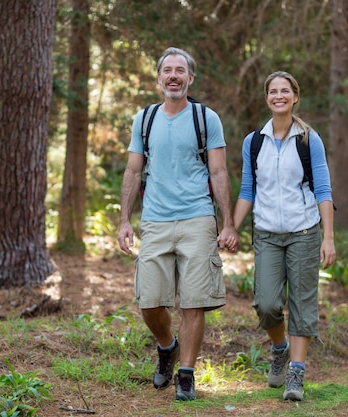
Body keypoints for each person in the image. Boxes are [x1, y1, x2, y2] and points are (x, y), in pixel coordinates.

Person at [117, 47, 239, 402]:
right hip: (154, 219)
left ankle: (186, 374)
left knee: (194, 302)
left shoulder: (206, 118)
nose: (173, 76)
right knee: (149, 302)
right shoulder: (145, 119)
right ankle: (166, 346)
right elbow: (133, 170)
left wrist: (228, 222)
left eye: (180, 70)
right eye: (167, 70)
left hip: (198, 218)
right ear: (158, 78)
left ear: (190, 78)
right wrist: (125, 219)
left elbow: (218, 171)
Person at [229, 71, 336, 401]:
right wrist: (231, 227)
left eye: (285, 91)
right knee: (266, 304)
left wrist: (328, 236)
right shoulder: (254, 141)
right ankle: (280, 348)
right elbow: (248, 189)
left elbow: (323, 189)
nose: (279, 96)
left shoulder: (308, 139)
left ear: (295, 97)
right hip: (266, 234)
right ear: (267, 98)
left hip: (304, 232)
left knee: (302, 306)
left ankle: (296, 373)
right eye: (273, 91)